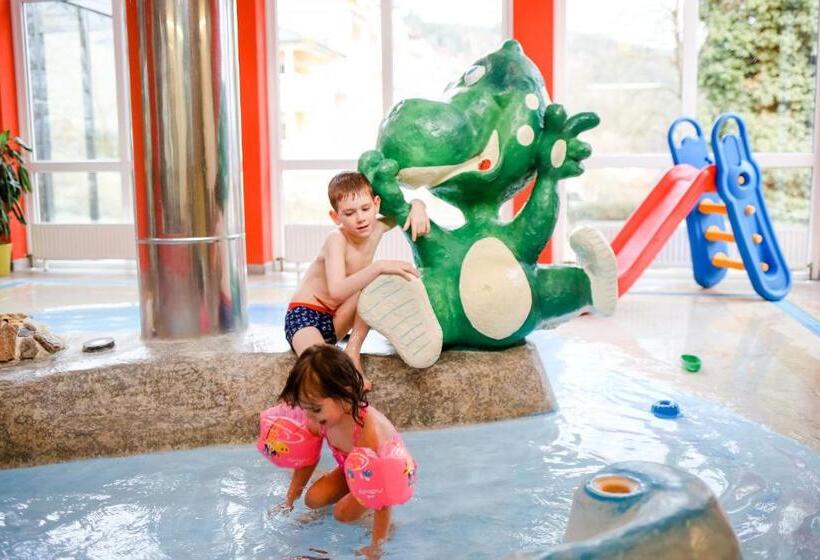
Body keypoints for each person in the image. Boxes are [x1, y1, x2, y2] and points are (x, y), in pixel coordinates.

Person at [258, 345, 416, 555]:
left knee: (343, 514)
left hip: (382, 476)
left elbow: (381, 493)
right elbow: (307, 459)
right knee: (313, 499)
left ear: (345, 394)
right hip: (351, 470)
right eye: (305, 408)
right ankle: (353, 499)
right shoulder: (318, 419)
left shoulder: (369, 433)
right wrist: (290, 501)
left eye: (315, 409)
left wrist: (376, 547)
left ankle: (380, 523)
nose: (309, 416)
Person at [284, 171, 430, 381]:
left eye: (365, 209)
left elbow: (403, 212)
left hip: (337, 320)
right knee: (319, 366)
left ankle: (353, 350)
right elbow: (336, 291)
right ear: (336, 217)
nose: (360, 218)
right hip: (305, 315)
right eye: (350, 213)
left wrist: (418, 205)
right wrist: (379, 266)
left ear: (376, 204)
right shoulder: (336, 239)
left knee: (374, 284)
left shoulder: (377, 227)